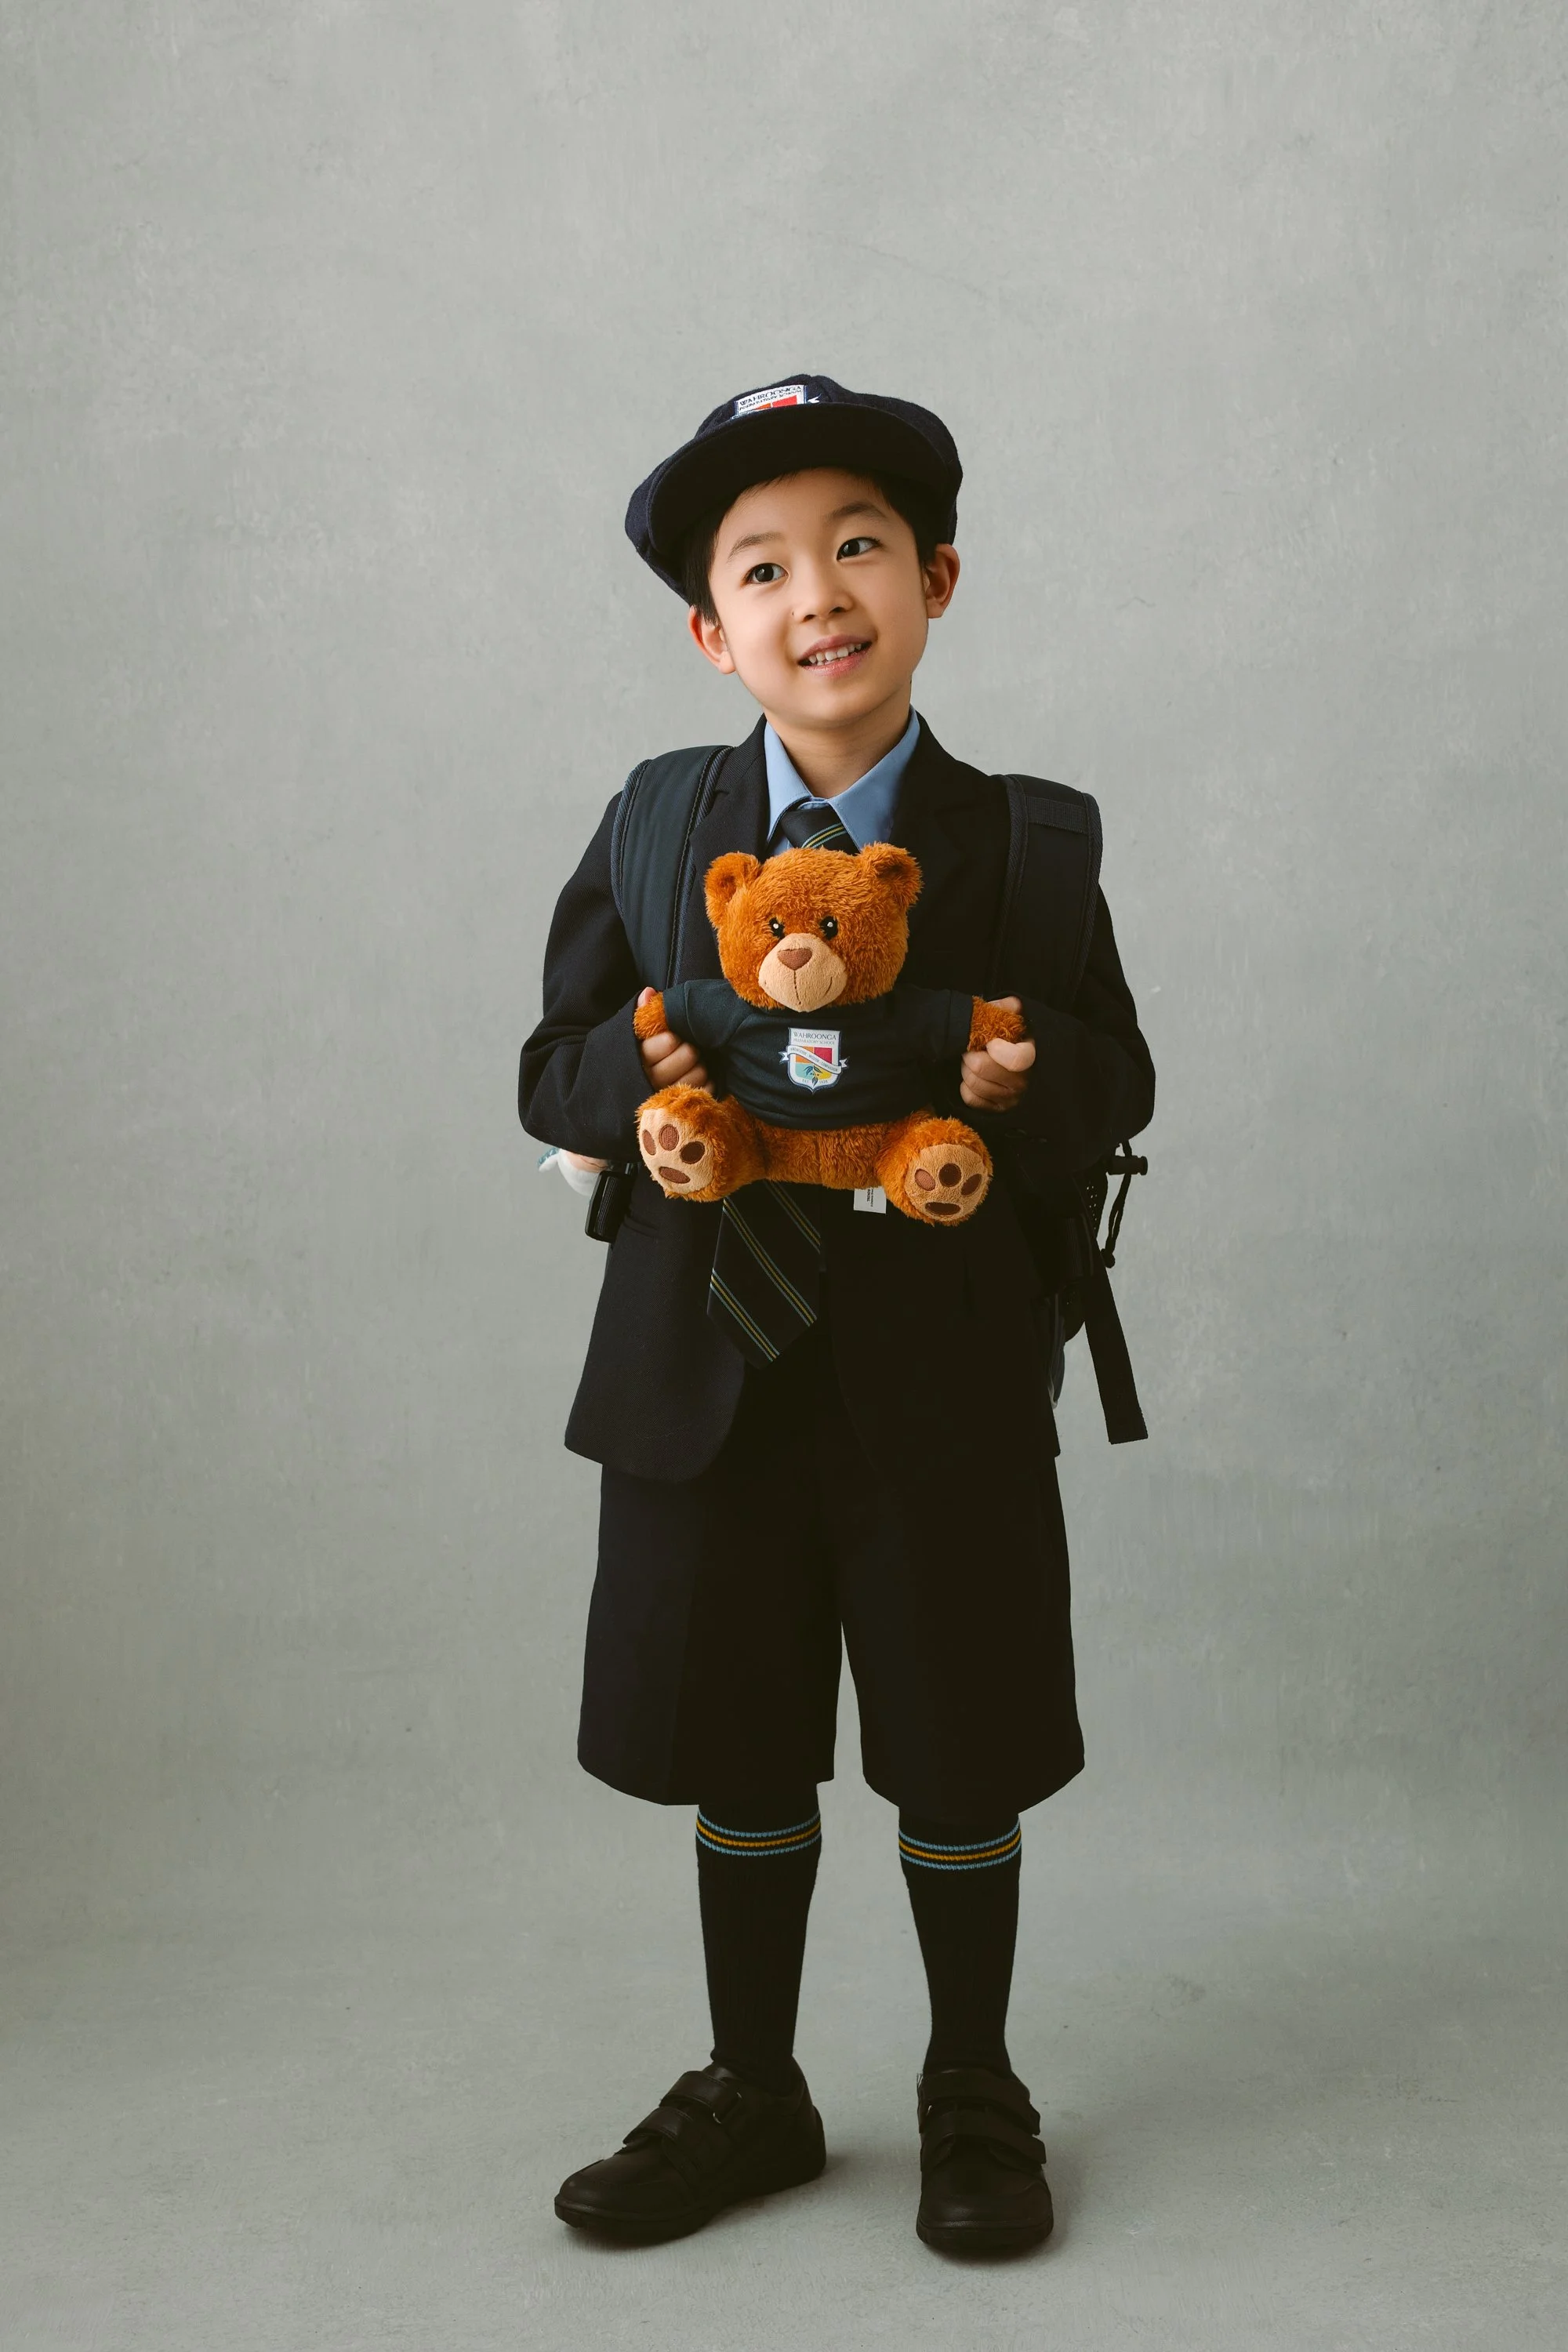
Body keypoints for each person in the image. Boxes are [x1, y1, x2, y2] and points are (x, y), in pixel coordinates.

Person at [518, 374, 1155, 2254]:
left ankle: (974, 2085)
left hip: (938, 1384)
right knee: (741, 1744)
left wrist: (1035, 1092)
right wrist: (629, 1106)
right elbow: (548, 1060)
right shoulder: (655, 827)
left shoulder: (1023, 843)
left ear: (937, 579)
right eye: (767, 567)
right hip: (703, 1377)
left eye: (860, 547)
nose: (822, 596)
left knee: (955, 1744)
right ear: (714, 633)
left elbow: (1119, 1076)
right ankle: (756, 2089)